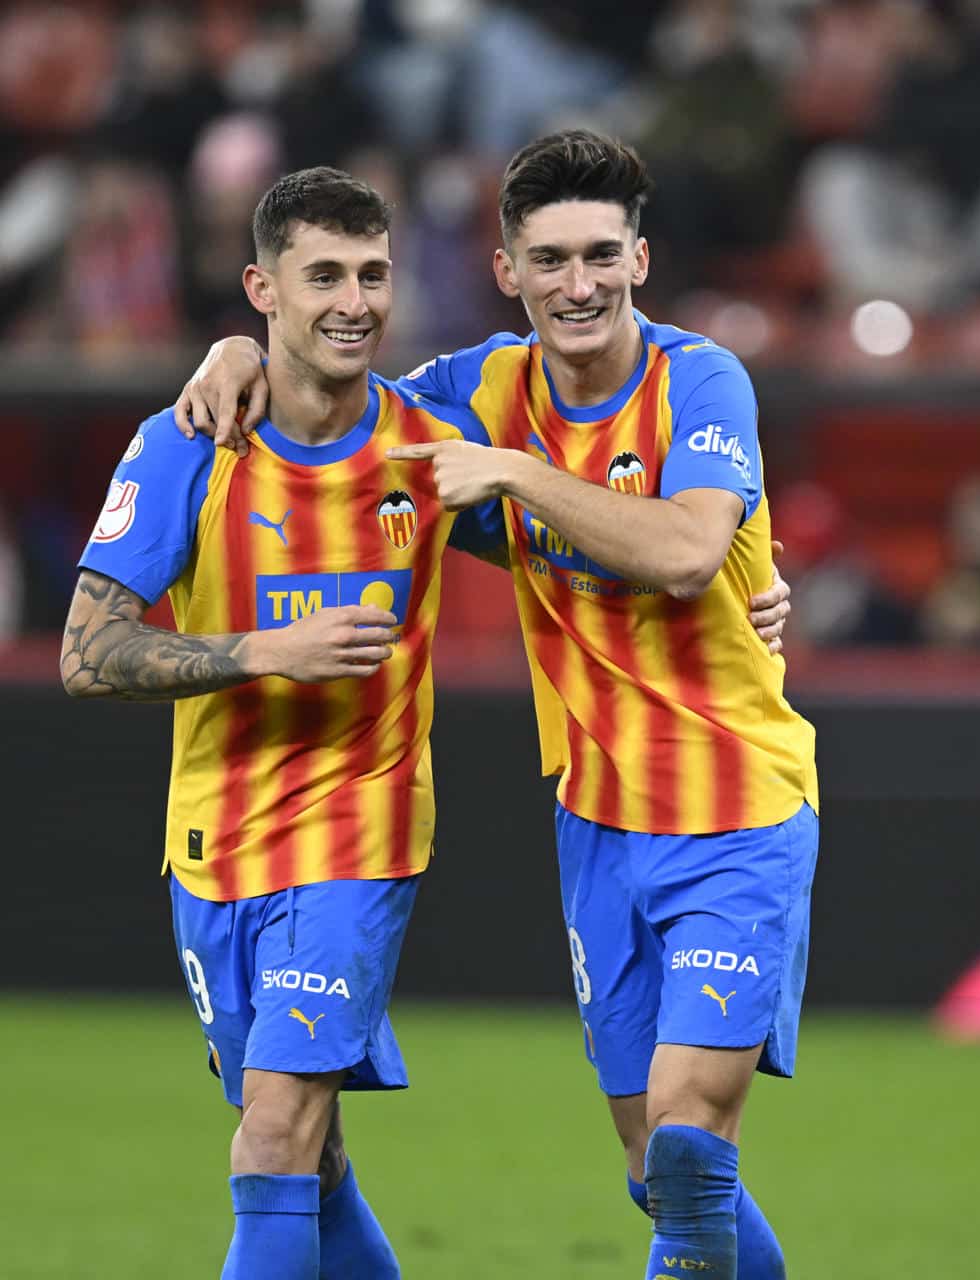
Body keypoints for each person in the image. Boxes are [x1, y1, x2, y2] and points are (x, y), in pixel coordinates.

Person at [176, 130, 818, 1280]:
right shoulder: (472, 389)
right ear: (507, 270)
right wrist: (235, 348)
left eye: (602, 254)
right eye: (551, 259)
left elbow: (682, 551)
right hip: (599, 819)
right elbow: (327, 387)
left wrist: (519, 471)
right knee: (652, 1162)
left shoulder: (701, 378)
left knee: (685, 1138)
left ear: (641, 257)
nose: (580, 284)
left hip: (739, 807)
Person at [61, 167, 495, 1280]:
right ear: (262, 288)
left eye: (372, 274)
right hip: (212, 845)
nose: (355, 301)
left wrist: (741, 574)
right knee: (311, 1153)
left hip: (360, 835)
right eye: (323, 277)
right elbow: (86, 652)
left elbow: (573, 538)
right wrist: (264, 651)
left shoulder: (434, 442)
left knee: (271, 1136)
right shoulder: (189, 443)